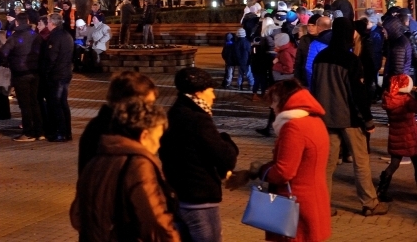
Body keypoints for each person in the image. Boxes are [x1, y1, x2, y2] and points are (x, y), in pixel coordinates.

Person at [228, 80, 332, 242]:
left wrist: (259, 170)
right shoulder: (315, 121)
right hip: (314, 198)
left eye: (275, 101)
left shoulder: (294, 127)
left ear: (287, 102)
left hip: (295, 203)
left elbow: (284, 172)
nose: (272, 107)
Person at [71, 99, 182, 241]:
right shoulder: (138, 165)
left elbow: (77, 216)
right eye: (158, 137)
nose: (159, 145)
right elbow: (154, 219)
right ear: (144, 136)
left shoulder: (97, 160)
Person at [309, 17, 387, 216]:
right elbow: (357, 94)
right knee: (361, 161)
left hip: (325, 117)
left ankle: (322, 204)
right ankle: (369, 202)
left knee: (326, 165)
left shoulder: (321, 57)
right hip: (349, 118)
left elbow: (314, 87)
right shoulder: (350, 60)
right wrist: (367, 120)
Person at [160, 67, 238, 242]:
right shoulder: (198, 119)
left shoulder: (175, 113)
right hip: (200, 199)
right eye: (211, 90)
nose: (214, 96)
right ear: (199, 92)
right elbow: (225, 157)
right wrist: (226, 140)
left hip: (179, 195)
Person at [78, 71, 158, 174]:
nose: (150, 111)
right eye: (147, 104)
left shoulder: (104, 125)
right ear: (129, 102)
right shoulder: (110, 131)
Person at [0, 12, 43, 142]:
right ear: (28, 21)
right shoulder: (36, 36)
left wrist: (5, 62)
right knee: (34, 102)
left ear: (17, 22)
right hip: (35, 73)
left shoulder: (15, 37)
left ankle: (28, 132)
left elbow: (3, 52)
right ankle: (39, 131)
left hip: (20, 74)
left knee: (25, 104)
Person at [377, 74, 417, 202]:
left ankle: (381, 190)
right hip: (410, 137)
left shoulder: (389, 98)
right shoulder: (406, 100)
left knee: (394, 164)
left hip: (396, 135)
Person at [41, 13, 75, 142]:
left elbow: (51, 58)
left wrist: (46, 73)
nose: (48, 24)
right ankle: (67, 131)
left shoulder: (55, 37)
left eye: (48, 21)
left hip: (57, 75)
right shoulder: (67, 35)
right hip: (66, 73)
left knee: (56, 104)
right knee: (63, 103)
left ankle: (60, 132)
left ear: (53, 23)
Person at [256, 32, 297, 137]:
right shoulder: (288, 49)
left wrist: (275, 65)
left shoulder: (285, 53)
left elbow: (289, 68)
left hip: (281, 81)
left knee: (276, 104)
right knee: (277, 105)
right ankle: (270, 128)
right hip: (283, 80)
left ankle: (270, 129)